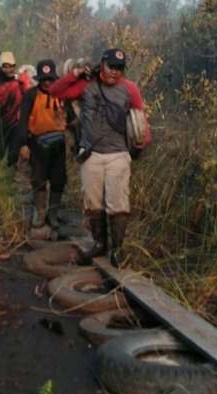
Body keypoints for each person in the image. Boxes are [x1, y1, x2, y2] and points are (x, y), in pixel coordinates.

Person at [49, 48, 151, 267]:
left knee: (118, 203)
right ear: (102, 64)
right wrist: (74, 74)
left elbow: (140, 114)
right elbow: (56, 91)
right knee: (93, 202)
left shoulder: (129, 88)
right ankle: (98, 244)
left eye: (120, 68)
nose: (115, 72)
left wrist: (145, 138)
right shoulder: (87, 85)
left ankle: (117, 250)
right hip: (91, 153)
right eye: (111, 66)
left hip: (118, 154)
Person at [17, 60, 71, 238]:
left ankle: (53, 213)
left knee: (58, 179)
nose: (47, 83)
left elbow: (71, 117)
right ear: (39, 79)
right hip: (38, 144)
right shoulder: (31, 95)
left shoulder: (62, 95)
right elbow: (23, 120)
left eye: (50, 79)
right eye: (44, 79)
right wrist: (23, 144)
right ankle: (40, 213)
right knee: (38, 179)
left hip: (58, 144)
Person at [0, 51, 26, 166]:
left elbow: (27, 95)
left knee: (13, 153)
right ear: (0, 67)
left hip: (16, 123)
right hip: (0, 122)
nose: (8, 70)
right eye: (5, 67)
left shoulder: (20, 79)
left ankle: (10, 176)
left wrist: (21, 82)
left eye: (10, 67)